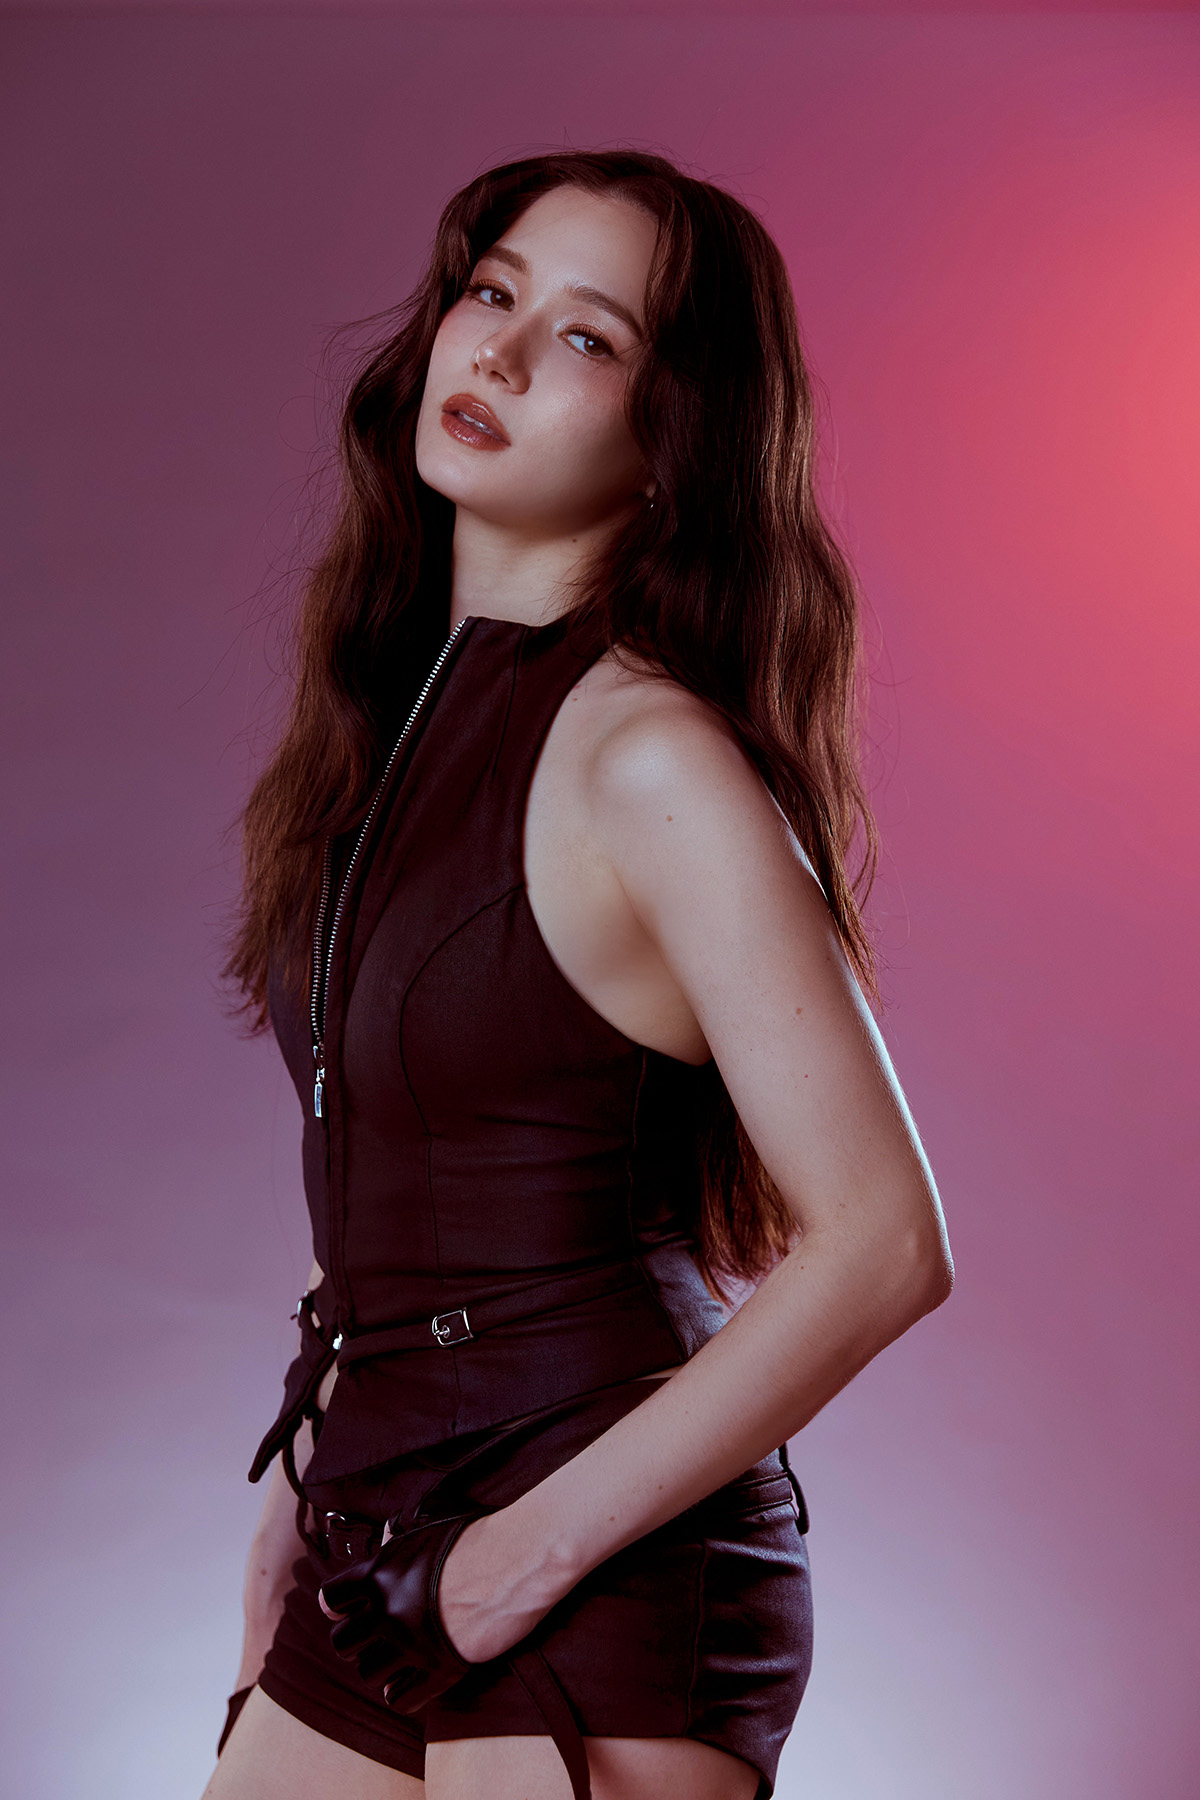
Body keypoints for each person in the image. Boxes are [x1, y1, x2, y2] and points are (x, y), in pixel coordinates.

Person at [205, 148, 953, 1800]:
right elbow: (403, 1172)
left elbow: (887, 1243)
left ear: (670, 441)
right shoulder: (394, 727)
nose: (502, 350)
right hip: (381, 1521)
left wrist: (512, 1564)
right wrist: (298, 1491)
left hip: (604, 1562)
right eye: (492, 293)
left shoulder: (651, 758)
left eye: (589, 338)